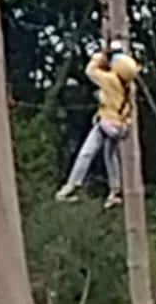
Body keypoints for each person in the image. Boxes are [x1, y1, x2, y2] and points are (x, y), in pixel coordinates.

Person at [55, 45, 141, 210]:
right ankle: (115, 191)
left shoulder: (110, 80)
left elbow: (90, 71)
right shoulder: (130, 86)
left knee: (86, 153)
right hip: (120, 127)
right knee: (110, 156)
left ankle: (72, 185)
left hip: (106, 122)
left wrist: (101, 56)